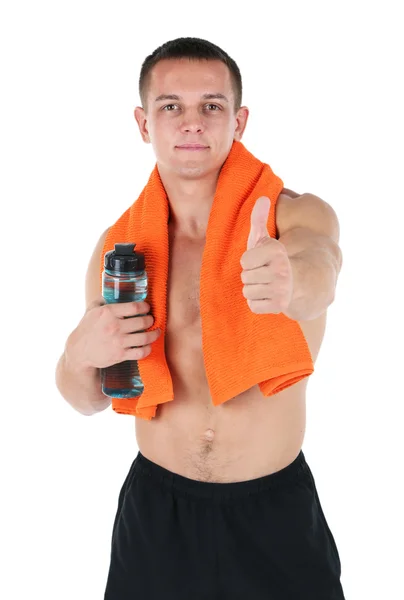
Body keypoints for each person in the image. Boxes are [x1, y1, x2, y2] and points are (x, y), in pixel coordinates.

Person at [55, 37, 345, 599]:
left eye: (211, 106)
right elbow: (83, 397)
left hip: (275, 511)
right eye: (171, 107)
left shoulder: (293, 216)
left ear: (238, 121)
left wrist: (292, 278)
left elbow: (322, 269)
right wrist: (78, 355)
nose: (192, 122)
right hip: (156, 514)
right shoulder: (119, 251)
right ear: (144, 123)